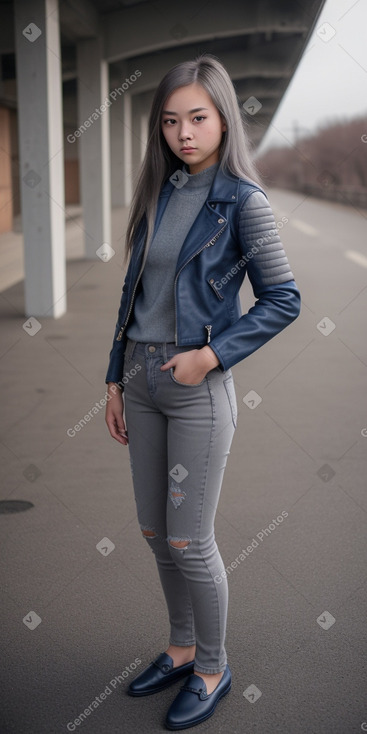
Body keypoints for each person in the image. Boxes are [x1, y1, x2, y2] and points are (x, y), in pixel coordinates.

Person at [105, 53, 301, 730]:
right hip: (139, 379)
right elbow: (136, 295)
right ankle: (181, 648)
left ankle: (213, 667)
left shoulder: (242, 202)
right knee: (155, 531)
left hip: (194, 388)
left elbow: (284, 298)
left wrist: (211, 356)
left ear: (222, 119)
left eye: (197, 117)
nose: (182, 133)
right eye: (169, 121)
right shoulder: (157, 194)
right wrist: (112, 377)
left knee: (189, 538)